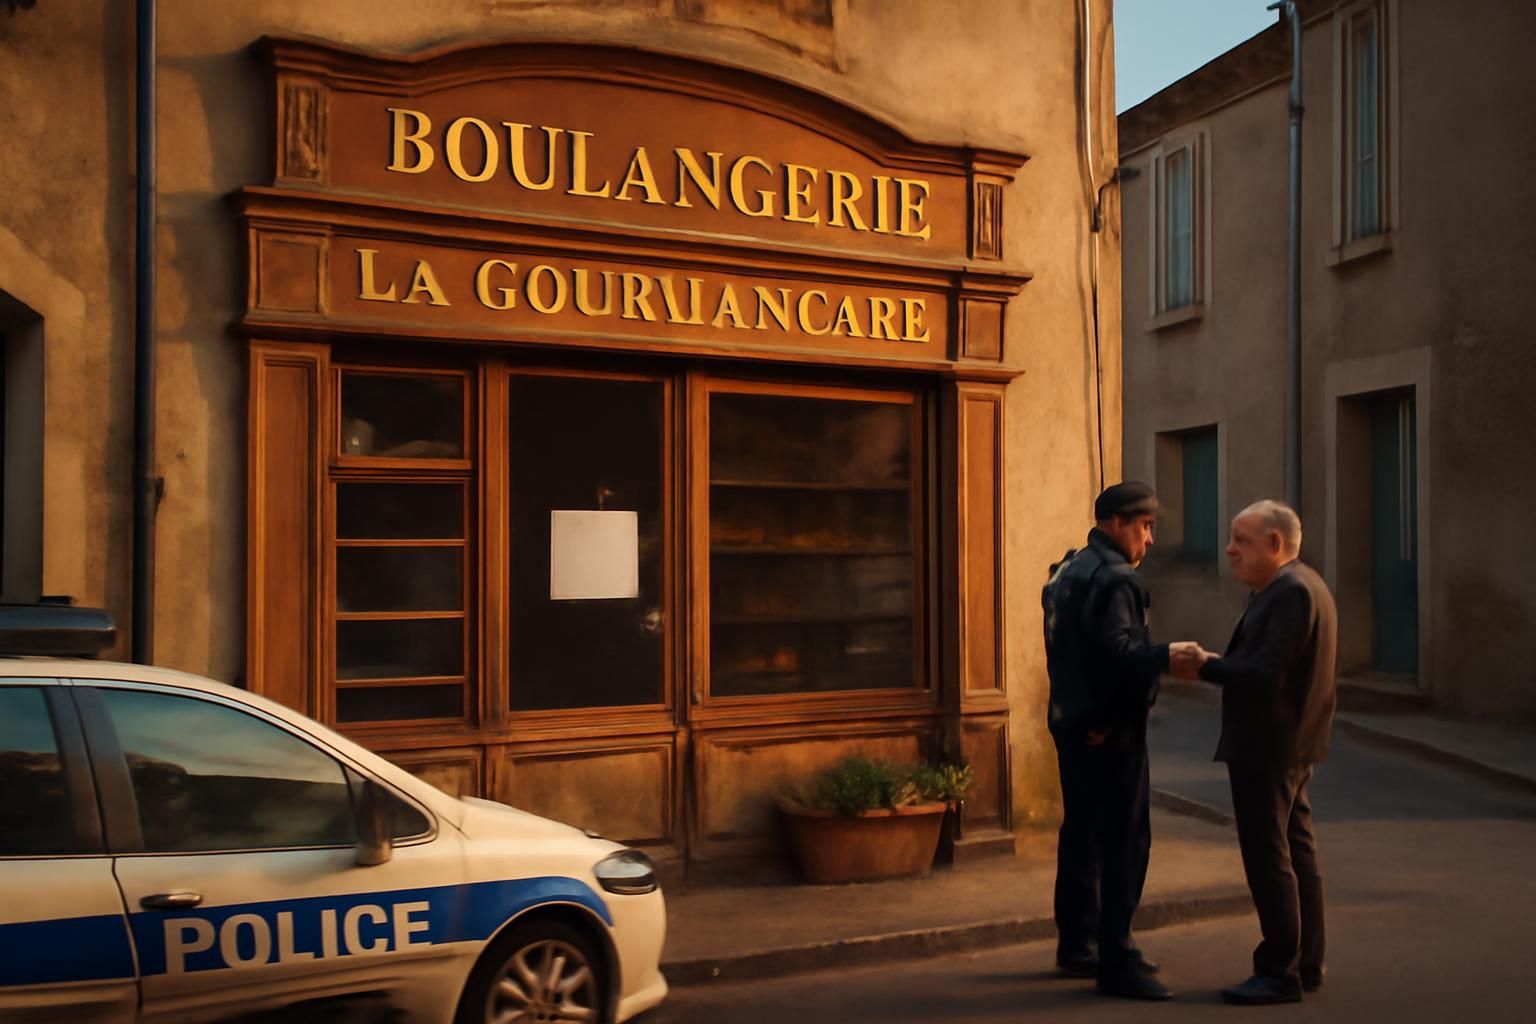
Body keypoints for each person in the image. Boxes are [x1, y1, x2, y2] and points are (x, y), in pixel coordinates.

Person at [1042, 481, 1203, 1001]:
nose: (1150, 539)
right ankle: (1117, 956)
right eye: (1145, 526)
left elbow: (1069, 649)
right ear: (1116, 523)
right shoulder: (1116, 580)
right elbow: (1115, 652)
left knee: (1082, 834)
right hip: (1108, 730)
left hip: (1070, 720)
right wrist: (1166, 656)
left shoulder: (1069, 568)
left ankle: (1078, 944)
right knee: (1126, 841)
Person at [1177, 500, 1337, 1005]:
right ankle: (1305, 962)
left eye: (1240, 540)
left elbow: (1267, 673)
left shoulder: (1289, 592)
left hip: (1268, 745)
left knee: (1270, 856)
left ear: (1274, 543)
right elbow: (1272, 666)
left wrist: (1204, 666)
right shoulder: (1299, 586)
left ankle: (1278, 970)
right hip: (1289, 743)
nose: (1229, 550)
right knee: (1297, 851)